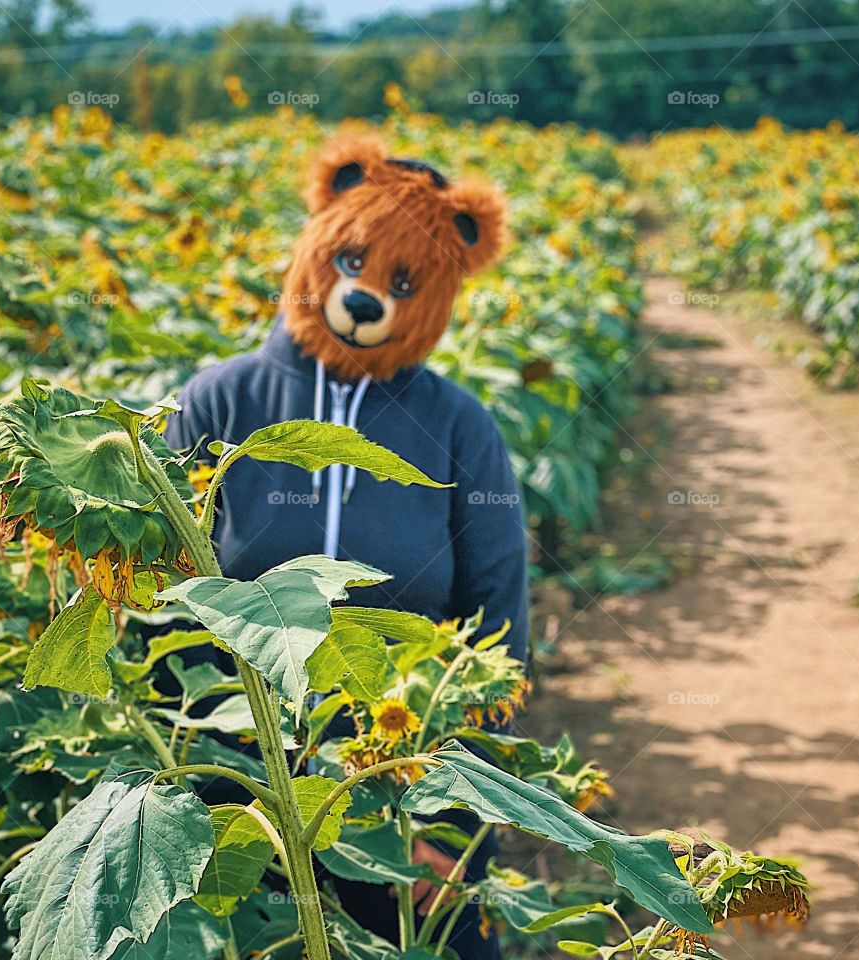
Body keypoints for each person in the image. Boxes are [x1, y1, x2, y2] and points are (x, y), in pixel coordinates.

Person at [164, 134, 528, 960]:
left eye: (403, 284)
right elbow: (161, 577)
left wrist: (458, 818)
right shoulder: (223, 399)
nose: (368, 298)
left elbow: (495, 612)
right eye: (355, 266)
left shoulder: (457, 425)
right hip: (233, 757)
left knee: (422, 937)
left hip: (396, 767)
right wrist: (176, 766)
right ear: (321, 247)